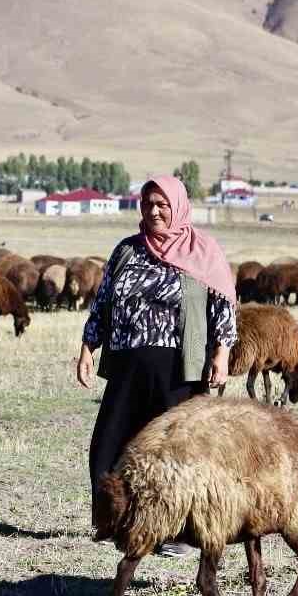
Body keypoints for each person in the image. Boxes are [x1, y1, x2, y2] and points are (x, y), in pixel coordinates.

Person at [77, 176, 238, 551]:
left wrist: (222, 351)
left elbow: (224, 305)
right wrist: (88, 346)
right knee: (110, 445)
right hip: (127, 365)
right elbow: (103, 302)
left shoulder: (203, 251)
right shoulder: (127, 251)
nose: (154, 211)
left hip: (180, 370)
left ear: (178, 207)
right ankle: (115, 520)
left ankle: (180, 533)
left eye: (162, 205)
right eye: (148, 204)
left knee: (179, 452)